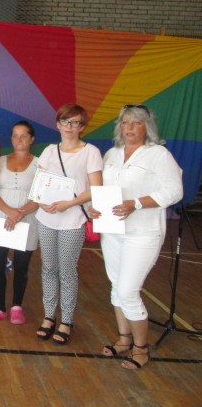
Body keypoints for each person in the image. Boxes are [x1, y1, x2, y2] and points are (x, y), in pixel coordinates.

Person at [90, 104, 182, 370]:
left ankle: (141, 348)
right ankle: (124, 339)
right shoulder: (111, 154)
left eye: (136, 122)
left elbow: (174, 191)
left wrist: (137, 203)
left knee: (128, 290)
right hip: (112, 230)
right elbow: (102, 189)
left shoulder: (158, 155)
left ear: (147, 127)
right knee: (116, 286)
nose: (129, 127)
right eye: (125, 122)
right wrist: (94, 207)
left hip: (143, 232)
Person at [35, 103, 102, 345]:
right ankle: (48, 316)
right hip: (46, 219)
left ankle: (66, 320)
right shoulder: (49, 151)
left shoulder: (90, 152)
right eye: (65, 121)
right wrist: (41, 201)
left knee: (67, 271)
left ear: (82, 126)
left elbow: (95, 188)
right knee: (48, 269)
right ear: (58, 124)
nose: (69, 126)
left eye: (75, 122)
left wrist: (69, 203)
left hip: (73, 220)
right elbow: (39, 183)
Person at [0, 121, 39, 325]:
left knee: (21, 267)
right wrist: (9, 212)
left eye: (24, 135)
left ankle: (17, 306)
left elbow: (40, 195)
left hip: (28, 220)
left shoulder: (40, 165)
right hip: (0, 219)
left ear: (32, 139)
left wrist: (19, 214)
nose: (19, 139)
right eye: (15, 135)